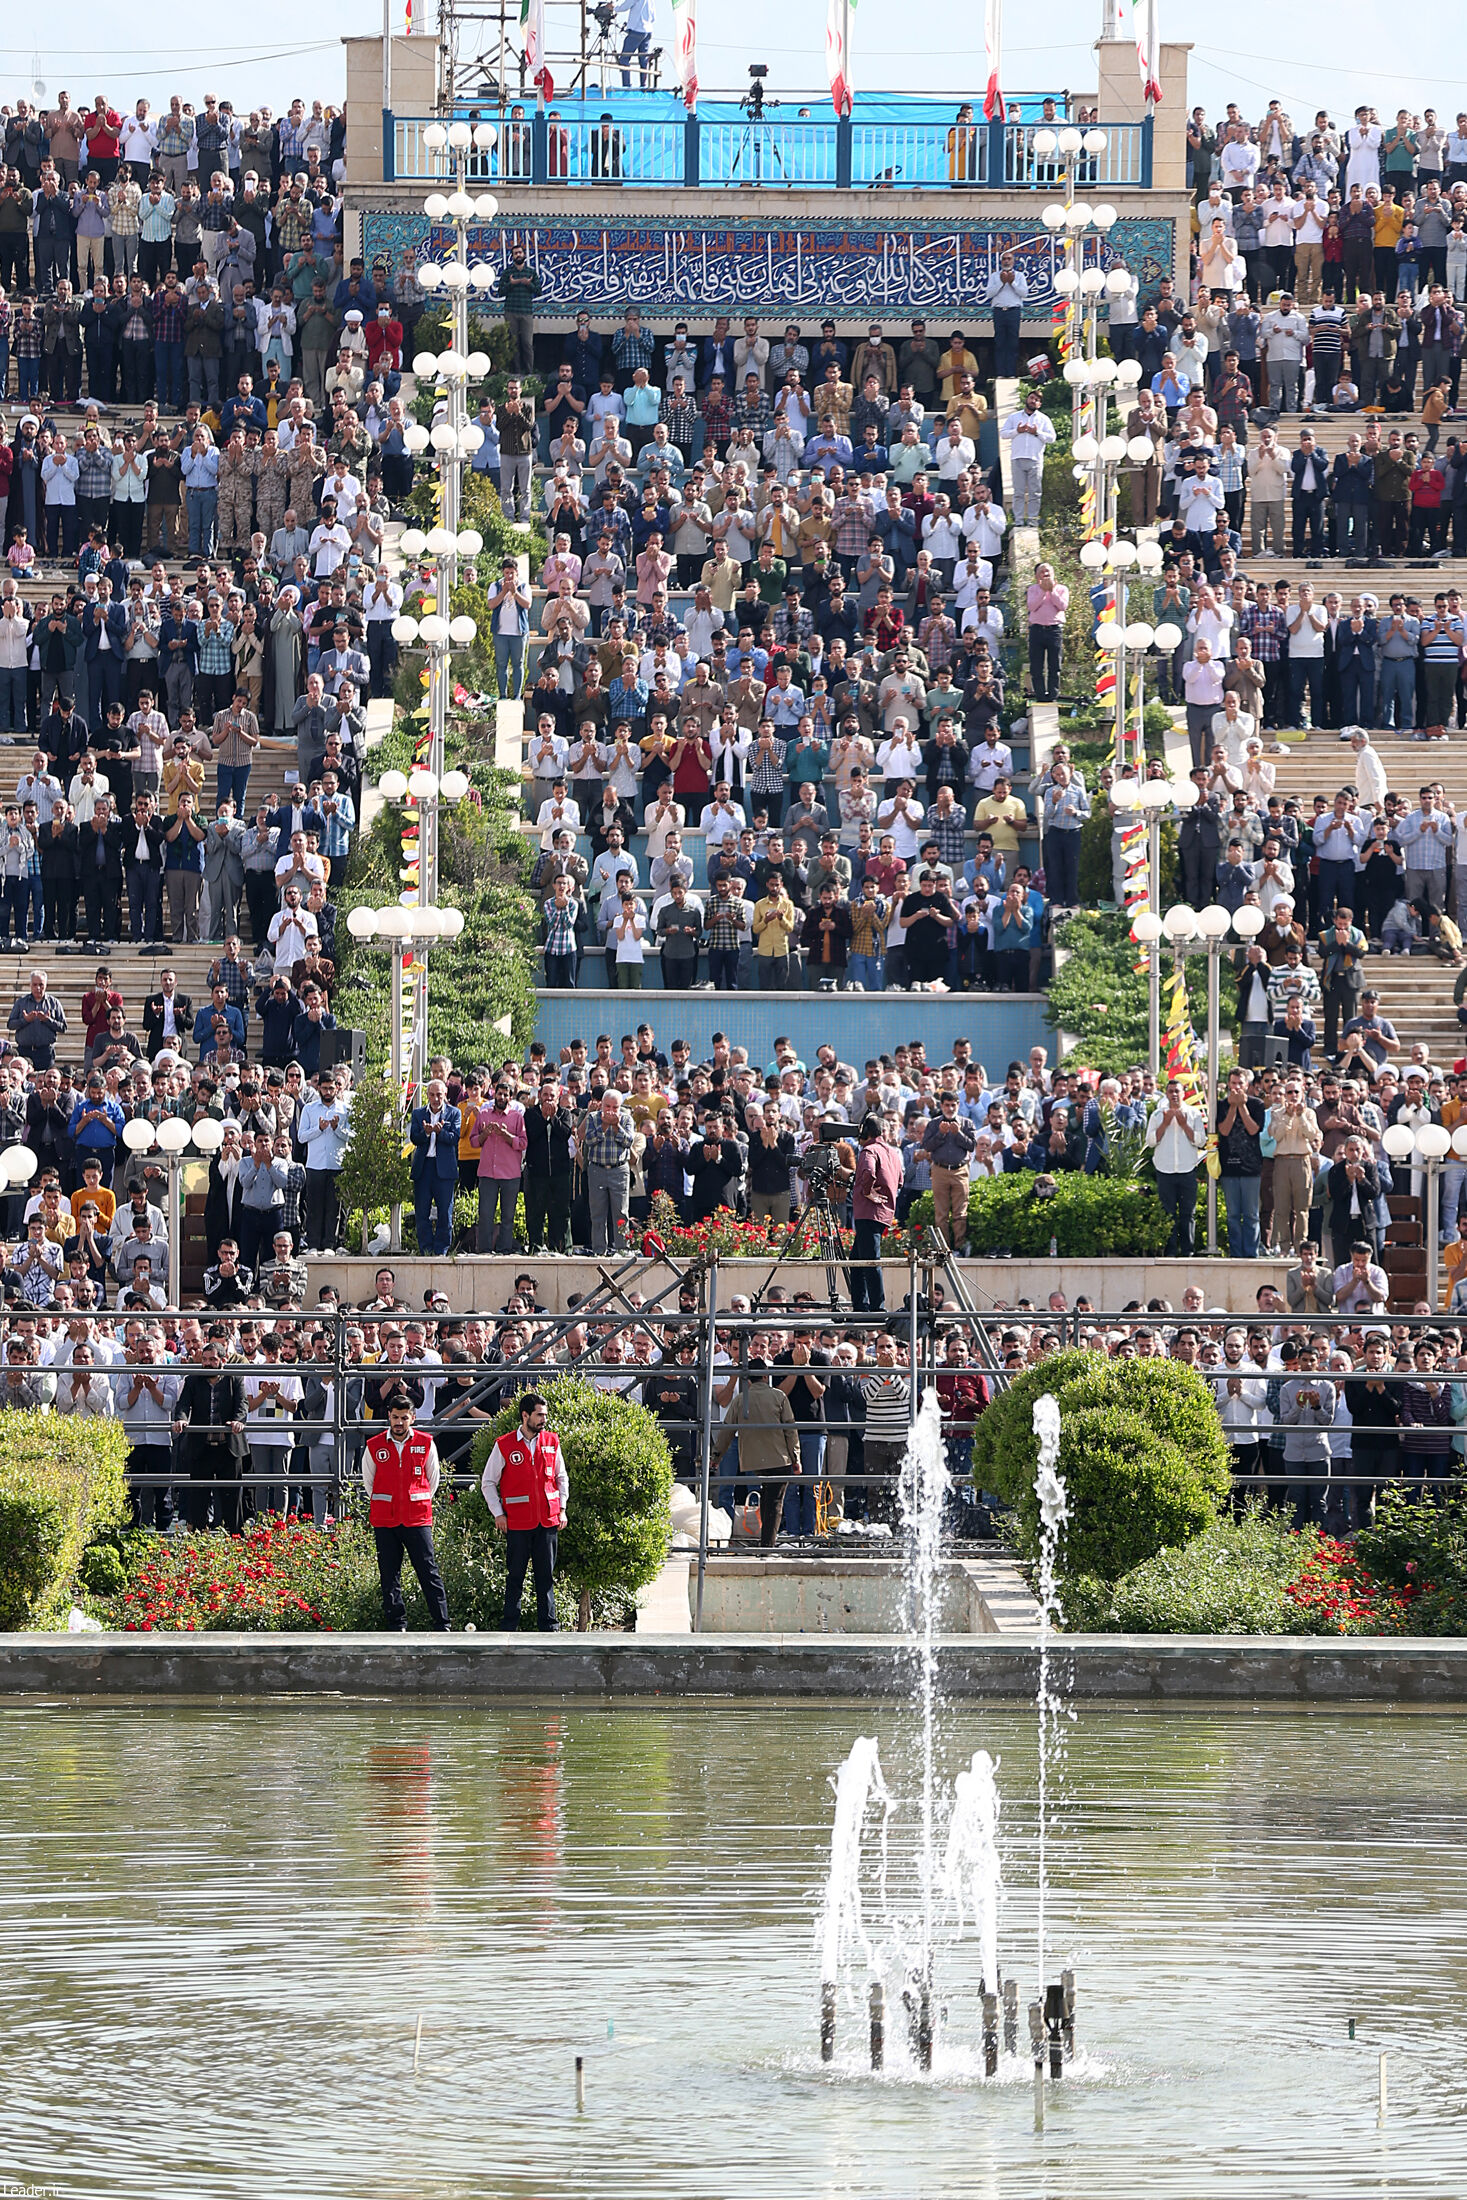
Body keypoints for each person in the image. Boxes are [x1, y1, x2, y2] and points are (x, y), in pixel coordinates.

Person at [362, 1383, 450, 1631]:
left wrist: (414, 1499)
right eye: (395, 1417)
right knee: (389, 1576)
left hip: (417, 1518)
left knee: (428, 1572)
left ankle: (442, 1624)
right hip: (385, 1520)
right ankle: (397, 1624)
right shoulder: (375, 1445)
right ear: (389, 1416)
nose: (399, 1422)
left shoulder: (425, 1442)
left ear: (412, 1417)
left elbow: (433, 1480)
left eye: (404, 1418)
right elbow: (369, 1482)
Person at [481, 1390, 568, 1631]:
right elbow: (488, 1482)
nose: (544, 1420)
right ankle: (509, 1627)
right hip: (517, 1523)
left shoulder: (552, 1441)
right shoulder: (504, 1444)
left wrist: (562, 1508)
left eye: (545, 1415)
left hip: (548, 1520)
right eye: (539, 1415)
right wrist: (498, 1513)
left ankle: (549, 1627)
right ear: (525, 1415)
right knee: (515, 1577)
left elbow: (561, 1477)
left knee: (545, 1578)